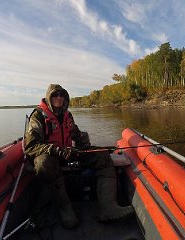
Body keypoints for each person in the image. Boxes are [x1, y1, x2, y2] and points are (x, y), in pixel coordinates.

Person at [25, 84, 133, 229]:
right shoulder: (38, 116)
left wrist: (90, 146)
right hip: (50, 157)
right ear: (49, 97)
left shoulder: (67, 115)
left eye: (61, 95)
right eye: (55, 95)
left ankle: (108, 208)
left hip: (69, 153)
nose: (58, 98)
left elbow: (76, 134)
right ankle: (65, 209)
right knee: (43, 163)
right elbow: (31, 147)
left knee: (102, 156)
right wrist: (57, 150)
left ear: (65, 98)